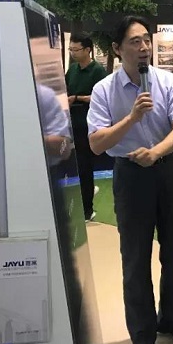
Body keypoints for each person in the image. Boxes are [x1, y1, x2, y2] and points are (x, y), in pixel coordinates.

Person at [87, 15, 173, 344]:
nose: (144, 47)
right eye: (135, 41)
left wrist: (156, 153)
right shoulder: (104, 90)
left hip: (167, 171)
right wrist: (132, 118)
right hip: (130, 176)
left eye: (146, 40)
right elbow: (96, 143)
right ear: (117, 49)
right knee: (136, 258)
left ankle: (172, 319)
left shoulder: (169, 82)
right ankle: (143, 335)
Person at [65, 32, 107, 221]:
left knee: (84, 167)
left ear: (88, 50)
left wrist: (77, 98)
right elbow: (64, 89)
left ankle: (87, 210)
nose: (73, 53)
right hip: (71, 124)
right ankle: (83, 199)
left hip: (89, 126)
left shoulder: (97, 71)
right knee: (76, 167)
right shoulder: (72, 70)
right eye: (71, 49)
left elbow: (100, 97)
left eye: (76, 49)